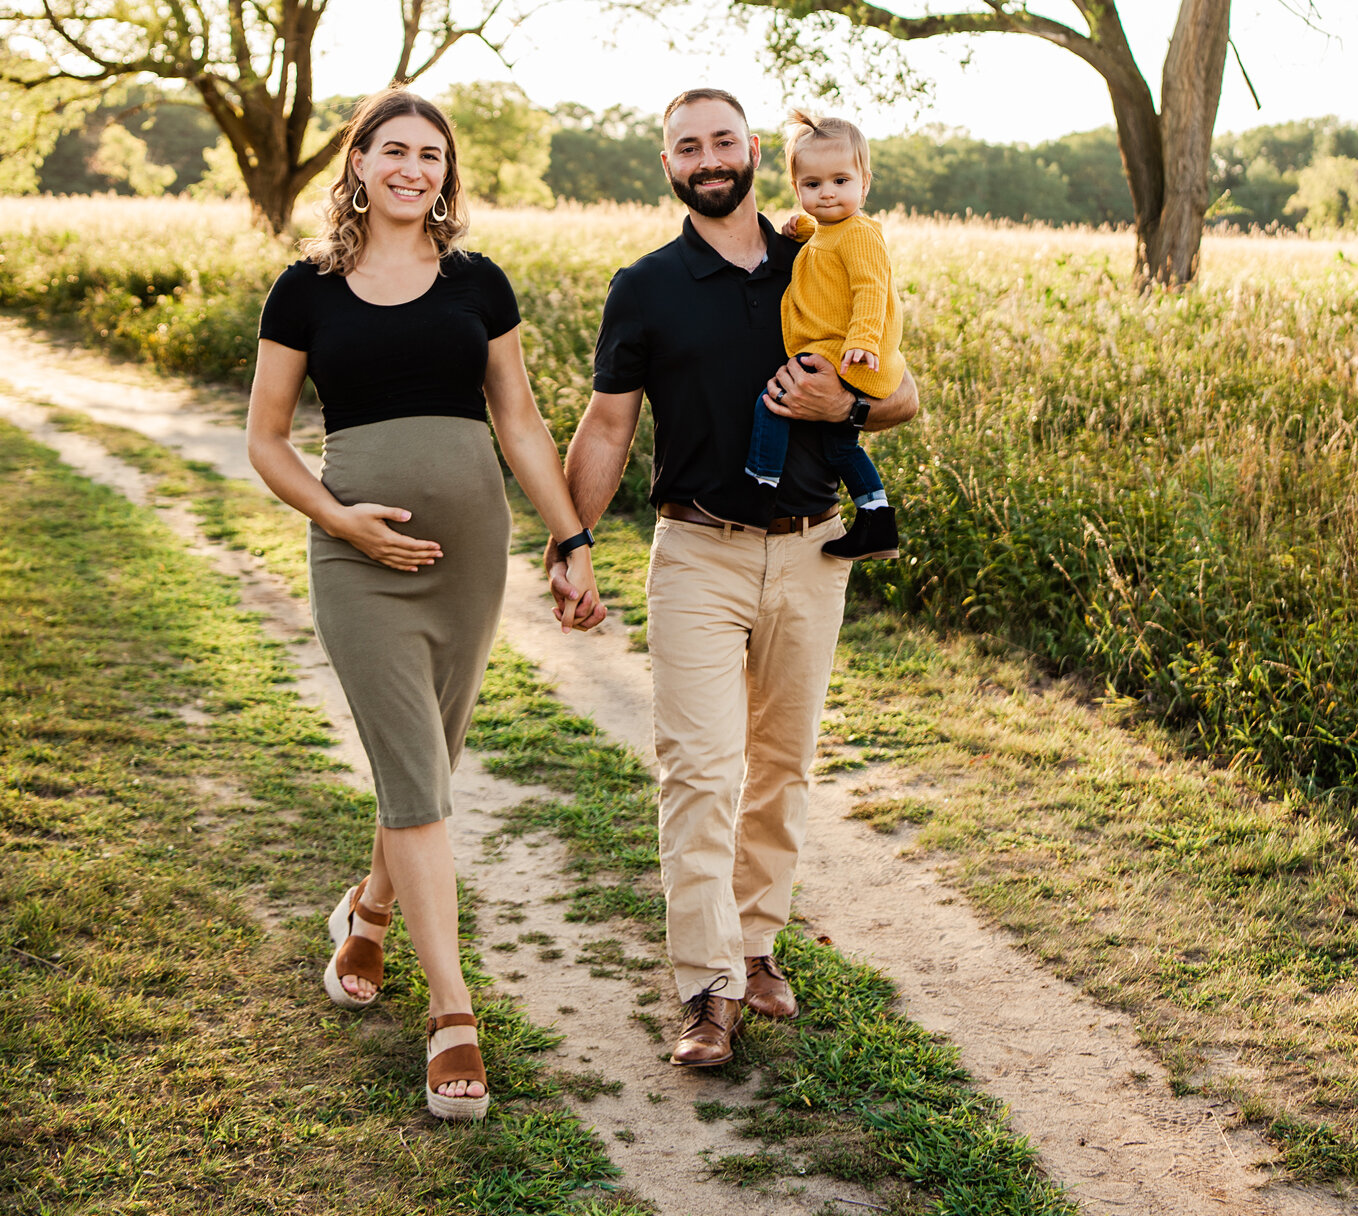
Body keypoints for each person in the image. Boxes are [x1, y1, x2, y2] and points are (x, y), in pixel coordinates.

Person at [247, 87, 605, 1124]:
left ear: (448, 174)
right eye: (393, 149)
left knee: (428, 759)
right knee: (413, 770)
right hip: (357, 556)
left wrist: (571, 535)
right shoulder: (303, 290)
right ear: (356, 163)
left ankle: (369, 910)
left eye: (432, 154)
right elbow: (267, 437)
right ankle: (453, 1009)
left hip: (471, 553)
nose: (414, 167)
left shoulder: (477, 282)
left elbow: (523, 421)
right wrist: (342, 519)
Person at [558, 87, 919, 1070]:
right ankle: (706, 987)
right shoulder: (643, 286)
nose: (708, 156)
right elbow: (608, 423)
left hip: (811, 548)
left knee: (782, 764)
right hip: (697, 553)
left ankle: (757, 944)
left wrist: (842, 394)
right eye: (688, 145)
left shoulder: (825, 247)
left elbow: (904, 392)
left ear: (754, 150)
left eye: (724, 139)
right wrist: (569, 535)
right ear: (667, 162)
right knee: (700, 771)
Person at [745, 107, 904, 563]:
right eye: (812, 185)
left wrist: (862, 341)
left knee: (775, 399)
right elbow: (824, 235)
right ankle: (878, 519)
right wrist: (801, 226)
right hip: (842, 349)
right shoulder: (830, 229)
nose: (827, 194)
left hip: (848, 350)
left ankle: (760, 490)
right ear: (797, 189)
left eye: (840, 181)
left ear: (864, 183)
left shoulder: (860, 235)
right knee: (839, 445)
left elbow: (870, 289)